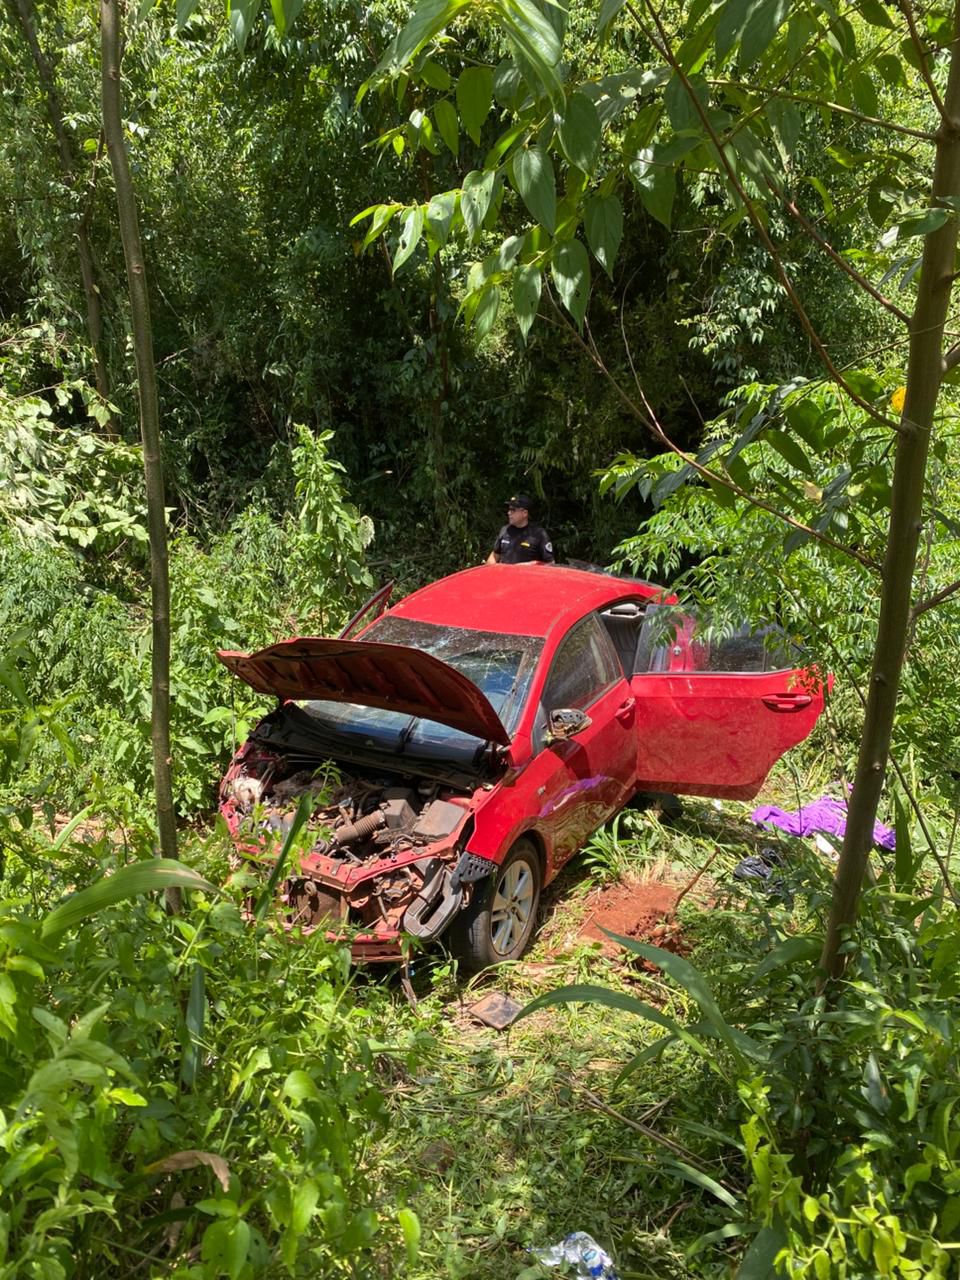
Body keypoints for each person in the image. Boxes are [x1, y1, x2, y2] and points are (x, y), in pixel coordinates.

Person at [486, 494, 555, 565]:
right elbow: (495, 555)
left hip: (527, 575)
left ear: (525, 513)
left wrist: (532, 564)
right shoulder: (505, 530)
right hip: (505, 575)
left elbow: (550, 564)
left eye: (513, 510)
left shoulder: (539, 534)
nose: (509, 513)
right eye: (509, 510)